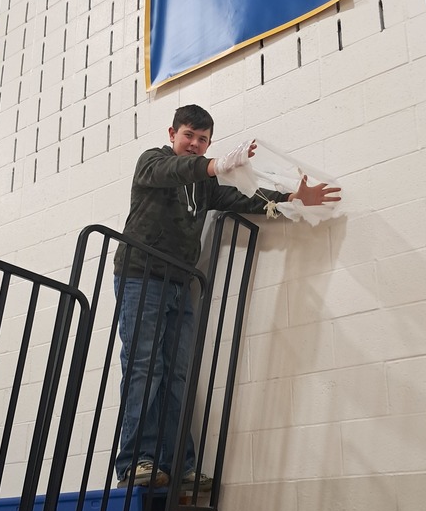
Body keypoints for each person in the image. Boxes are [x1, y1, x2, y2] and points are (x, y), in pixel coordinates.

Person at [113, 104, 341, 490]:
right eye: (189, 136)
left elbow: (243, 199)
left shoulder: (203, 182)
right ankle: (137, 462)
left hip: (179, 282)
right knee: (143, 368)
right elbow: (172, 171)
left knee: (177, 375)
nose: (194, 145)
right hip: (141, 276)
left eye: (203, 140)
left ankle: (178, 464)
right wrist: (215, 164)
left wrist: (293, 198)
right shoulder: (152, 161)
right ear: (172, 134)